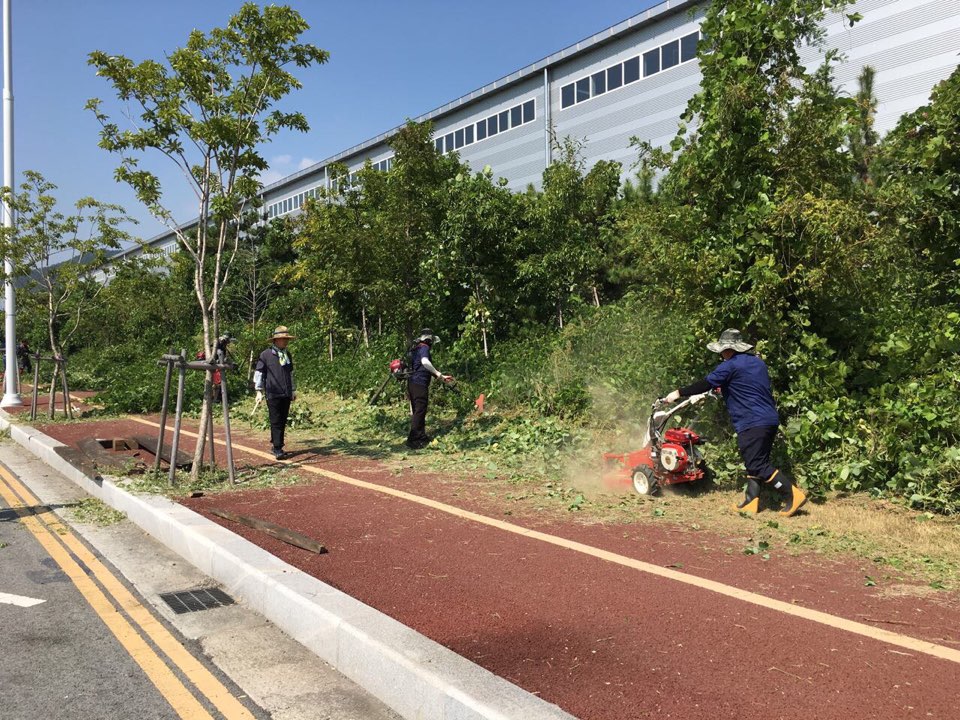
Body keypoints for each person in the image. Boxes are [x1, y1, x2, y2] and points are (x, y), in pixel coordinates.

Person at [662, 328, 807, 517]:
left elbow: (705, 383)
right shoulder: (757, 363)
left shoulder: (729, 366)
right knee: (754, 461)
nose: (721, 355)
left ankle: (792, 495)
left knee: (758, 465)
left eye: (722, 351)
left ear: (728, 350)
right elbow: (746, 386)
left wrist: (678, 393)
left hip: (751, 421)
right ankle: (751, 501)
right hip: (769, 419)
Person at [254, 326, 297, 460]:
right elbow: (259, 373)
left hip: (286, 393)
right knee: (275, 420)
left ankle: (276, 444)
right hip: (273, 393)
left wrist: (293, 389)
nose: (285, 342)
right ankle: (278, 448)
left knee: (282, 419)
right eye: (282, 339)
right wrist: (259, 391)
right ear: (275, 340)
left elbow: (290, 374)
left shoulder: (287, 355)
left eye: (286, 339)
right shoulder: (265, 355)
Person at [406, 329, 454, 449]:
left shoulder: (415, 349)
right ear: (428, 340)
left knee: (419, 410)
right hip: (419, 383)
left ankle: (421, 436)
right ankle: (413, 439)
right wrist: (438, 373)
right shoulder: (424, 348)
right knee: (420, 410)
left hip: (412, 383)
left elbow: (422, 367)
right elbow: (425, 362)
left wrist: (441, 377)